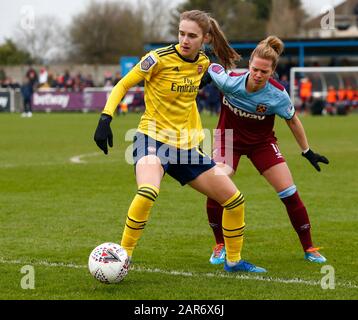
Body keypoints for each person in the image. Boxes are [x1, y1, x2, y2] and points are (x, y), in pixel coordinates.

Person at [94, 10, 266, 273]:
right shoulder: (157, 59)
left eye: (192, 36)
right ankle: (123, 257)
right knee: (148, 191)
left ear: (205, 38)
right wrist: (105, 118)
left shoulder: (204, 64)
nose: (185, 40)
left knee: (234, 200)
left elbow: (222, 80)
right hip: (152, 139)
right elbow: (123, 85)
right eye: (181, 34)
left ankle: (233, 262)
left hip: (185, 148)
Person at [204, 36, 329, 265]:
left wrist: (307, 151)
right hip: (228, 139)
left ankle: (309, 247)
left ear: (273, 71)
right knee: (217, 184)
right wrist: (200, 75)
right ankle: (220, 244)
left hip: (262, 143)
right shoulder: (229, 81)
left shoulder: (277, 94)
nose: (259, 75)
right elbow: (208, 65)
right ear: (249, 64)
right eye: (255, 69)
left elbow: (292, 120)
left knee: (289, 192)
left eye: (264, 71)